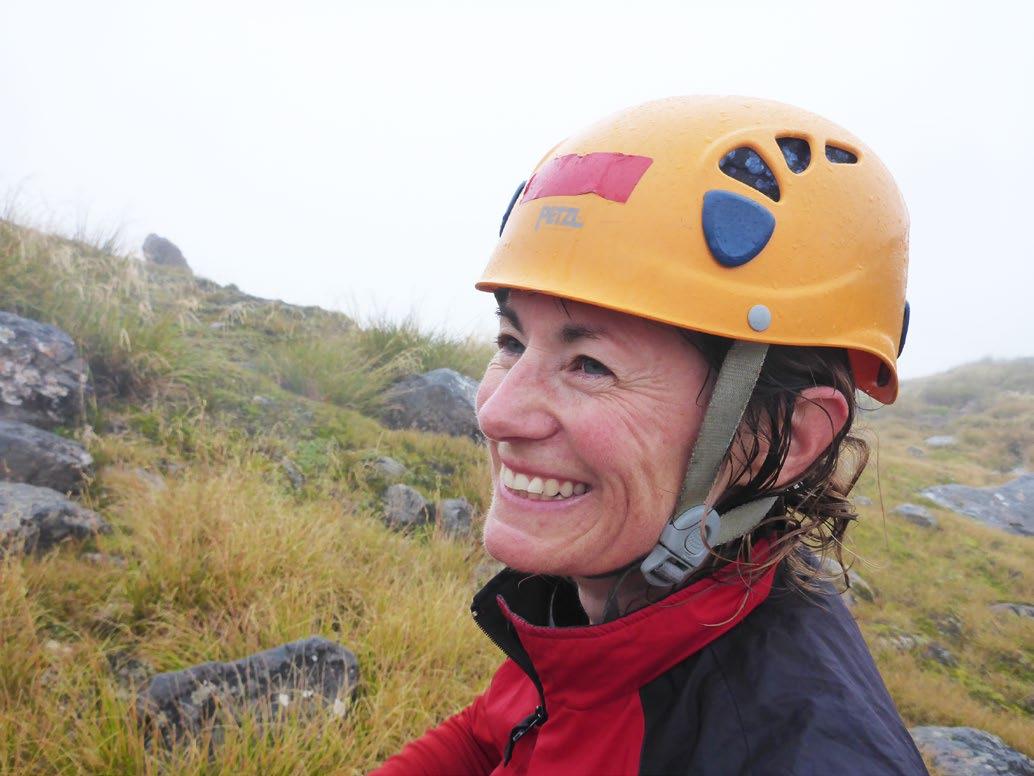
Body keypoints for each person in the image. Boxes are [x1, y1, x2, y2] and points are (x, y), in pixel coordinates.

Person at [373, 96, 928, 775]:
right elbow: (496, 732)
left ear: (784, 439)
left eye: (590, 365)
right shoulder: (629, 588)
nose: (495, 413)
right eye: (511, 342)